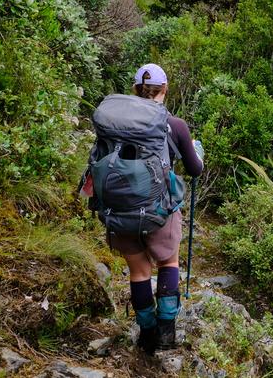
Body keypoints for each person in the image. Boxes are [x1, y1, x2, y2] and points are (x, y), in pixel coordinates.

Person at [107, 63, 203, 354]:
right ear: (165, 89)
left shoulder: (113, 123)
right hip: (159, 211)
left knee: (139, 272)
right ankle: (165, 332)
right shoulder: (175, 125)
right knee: (168, 264)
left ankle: (146, 334)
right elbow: (194, 169)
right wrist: (196, 150)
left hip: (121, 211)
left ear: (135, 90)